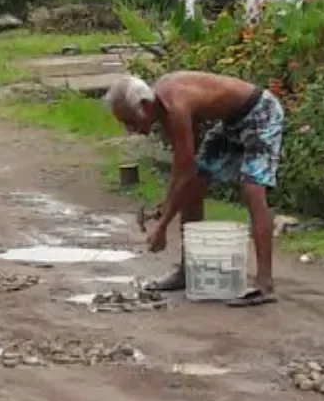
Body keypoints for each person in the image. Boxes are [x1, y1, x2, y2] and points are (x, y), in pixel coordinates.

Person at [104, 71, 284, 307]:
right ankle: (187, 270)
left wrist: (162, 226)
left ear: (146, 106)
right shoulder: (162, 106)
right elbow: (183, 167)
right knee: (194, 187)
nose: (131, 130)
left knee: (252, 189)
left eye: (131, 121)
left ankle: (265, 284)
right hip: (232, 122)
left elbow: (184, 168)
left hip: (260, 111)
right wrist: (167, 204)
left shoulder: (174, 105)